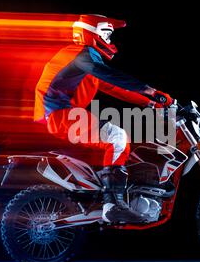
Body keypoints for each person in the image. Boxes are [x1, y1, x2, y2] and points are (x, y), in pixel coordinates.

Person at [34, 14, 173, 223]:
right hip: (60, 114)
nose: (109, 41)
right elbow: (111, 76)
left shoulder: (83, 60)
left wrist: (152, 103)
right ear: (92, 34)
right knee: (117, 137)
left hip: (62, 113)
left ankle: (115, 195)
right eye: (106, 35)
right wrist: (151, 90)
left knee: (117, 141)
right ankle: (112, 205)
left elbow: (113, 87)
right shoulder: (82, 55)